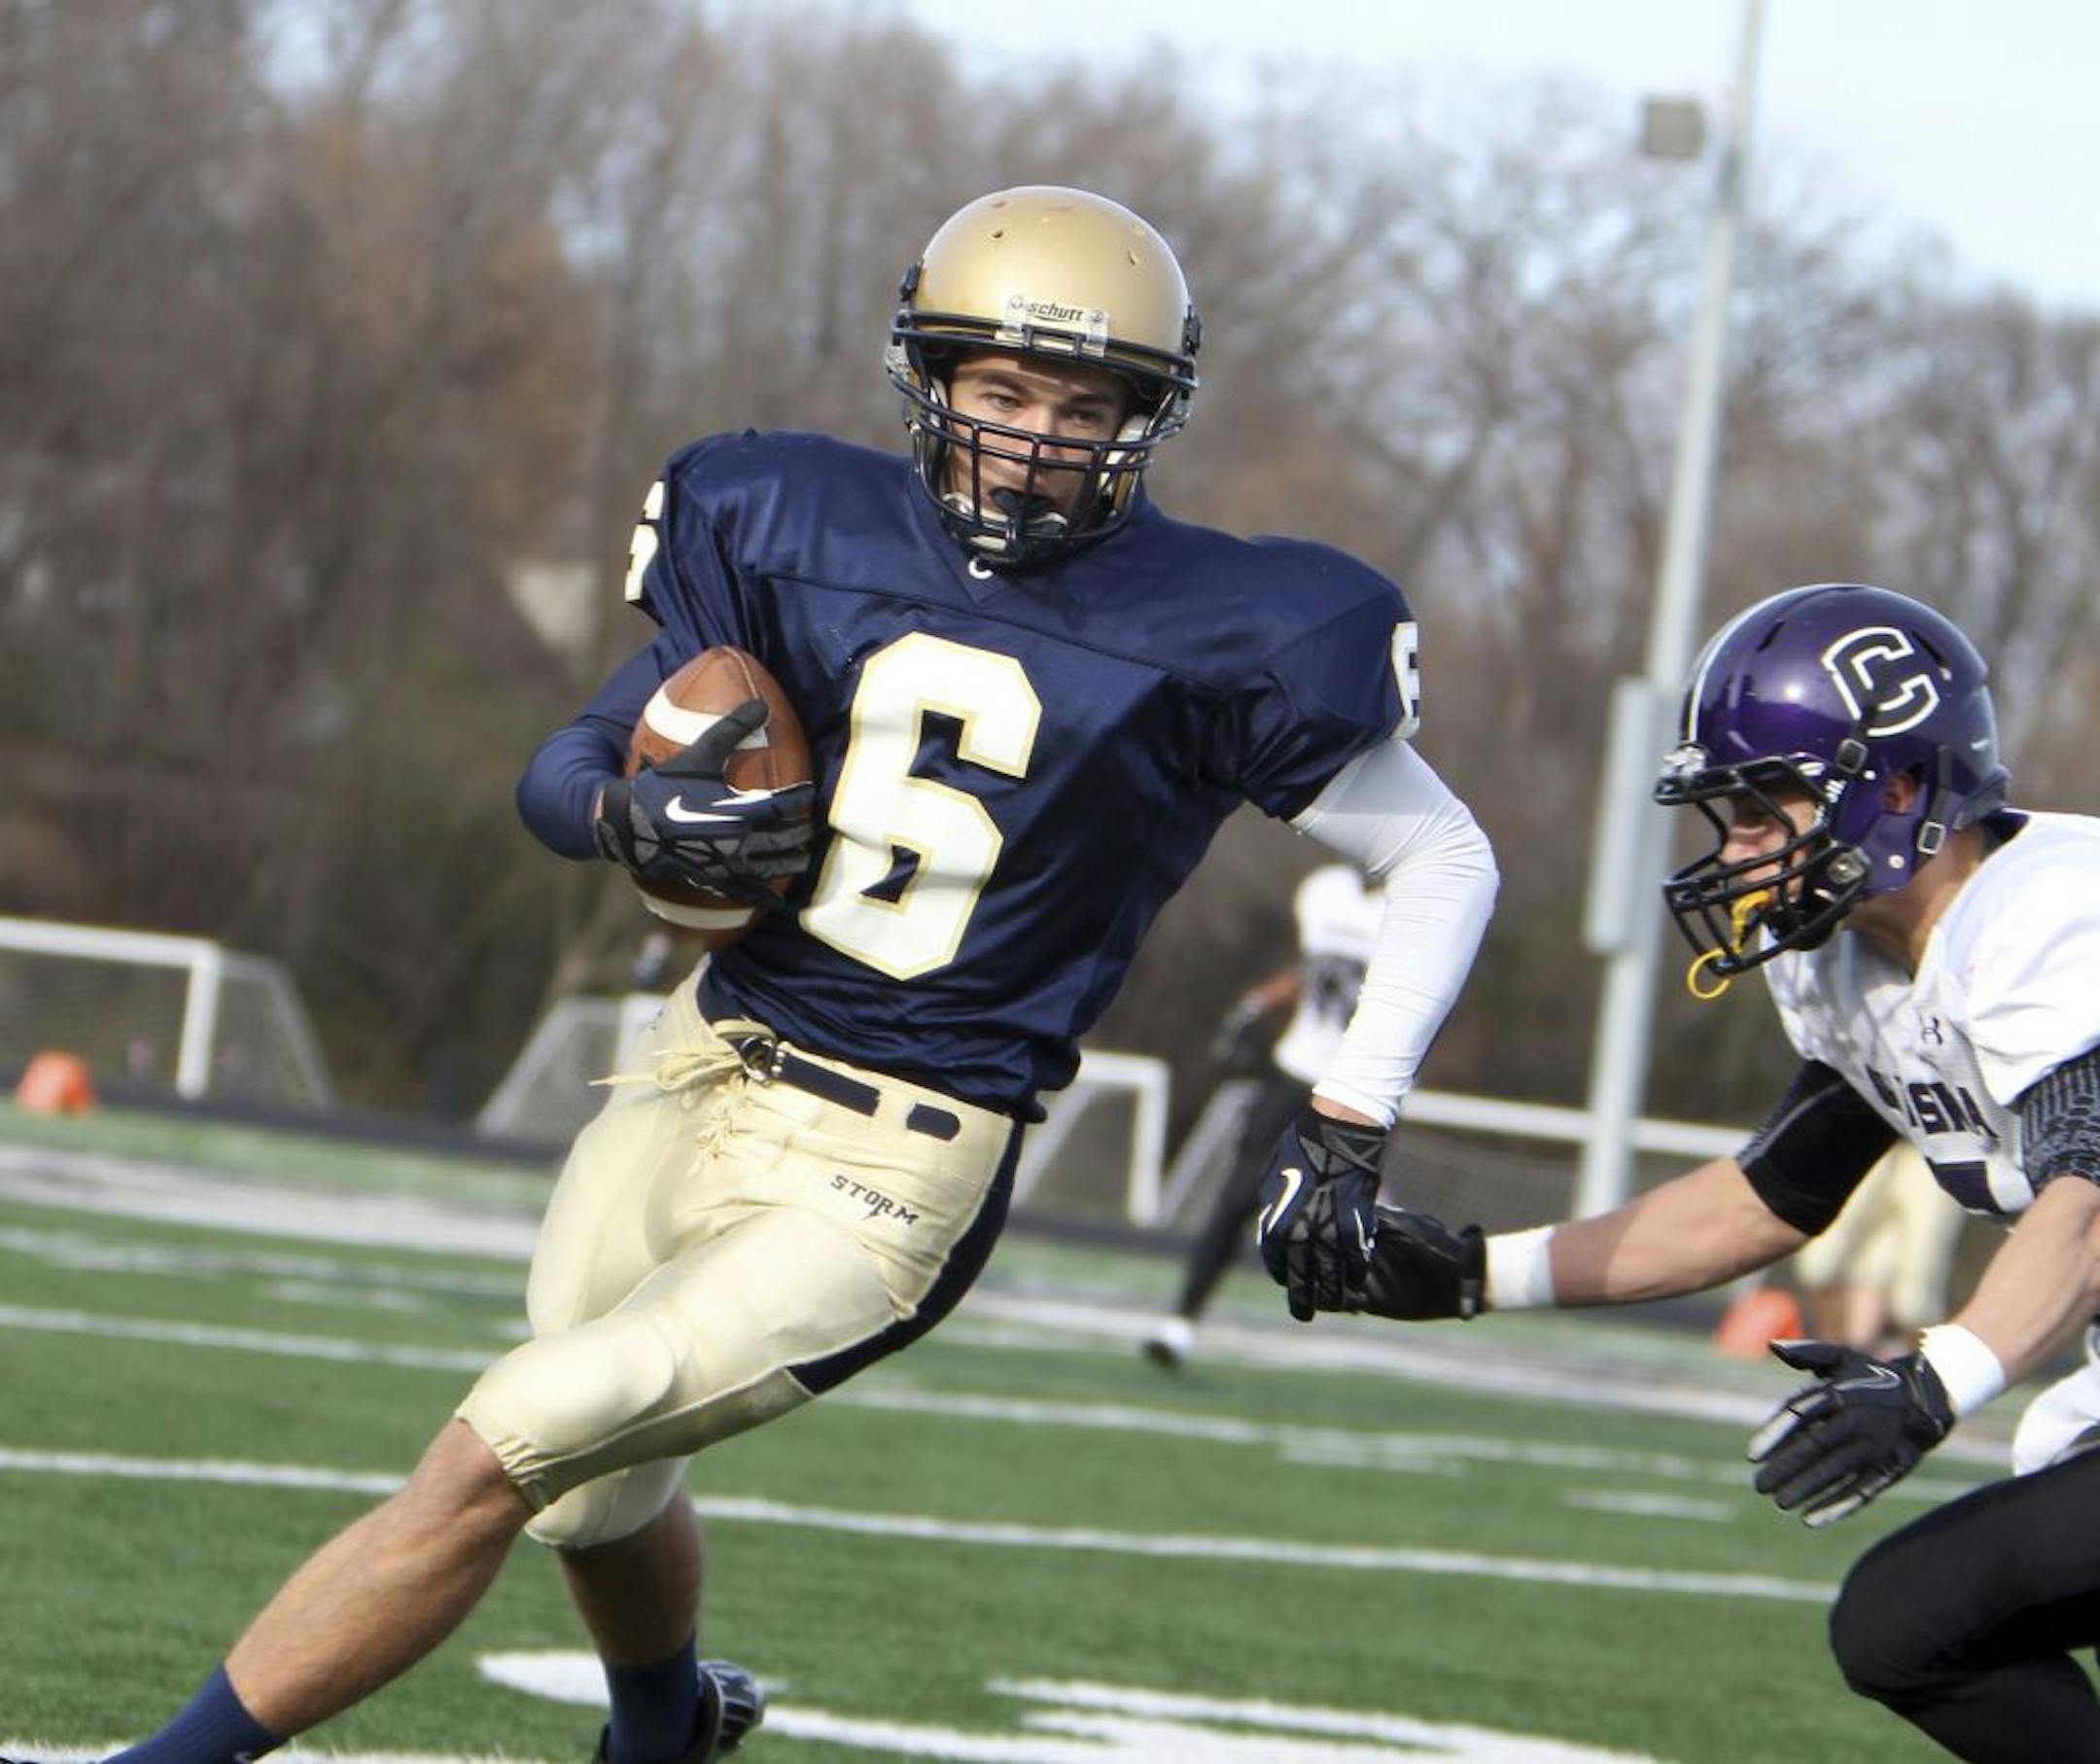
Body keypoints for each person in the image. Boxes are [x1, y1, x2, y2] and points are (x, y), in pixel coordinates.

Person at [33, 186, 1496, 1764]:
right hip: (699, 1062)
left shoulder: (1236, 621)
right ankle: (664, 1720)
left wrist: (1348, 1119)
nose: (1034, 438)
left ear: (1145, 420)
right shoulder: (789, 517)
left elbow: (1445, 856)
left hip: (896, 1159)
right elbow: (575, 756)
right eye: (1001, 391)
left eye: (1084, 406)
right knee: (595, 1484)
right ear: (929, 380)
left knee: (497, 1446)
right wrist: (621, 809)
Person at [1355, 582, 2100, 1764]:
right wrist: (1476, 1274)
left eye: (1767, 809)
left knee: (1918, 1620)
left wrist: (1932, 1384)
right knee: (1920, 1623)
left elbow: (2093, 1197)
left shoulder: (2045, 913)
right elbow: (1769, 1194)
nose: (1742, 849)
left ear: (1900, 787)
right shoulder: (1857, 962)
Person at [1142, 863, 1383, 1369]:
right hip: (1295, 1069)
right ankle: (1182, 1319)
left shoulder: (1415, 912)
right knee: (1236, 1196)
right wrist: (1259, 1003)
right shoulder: (1326, 891)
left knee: (1331, 1218)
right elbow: (1319, 969)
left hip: (1361, 1086)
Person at [1794, 1138, 1965, 1355]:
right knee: (1822, 1260)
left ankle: (1906, 1368)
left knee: (1916, 1287)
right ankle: (1834, 1351)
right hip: (1869, 1132)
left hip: (1935, 1150)